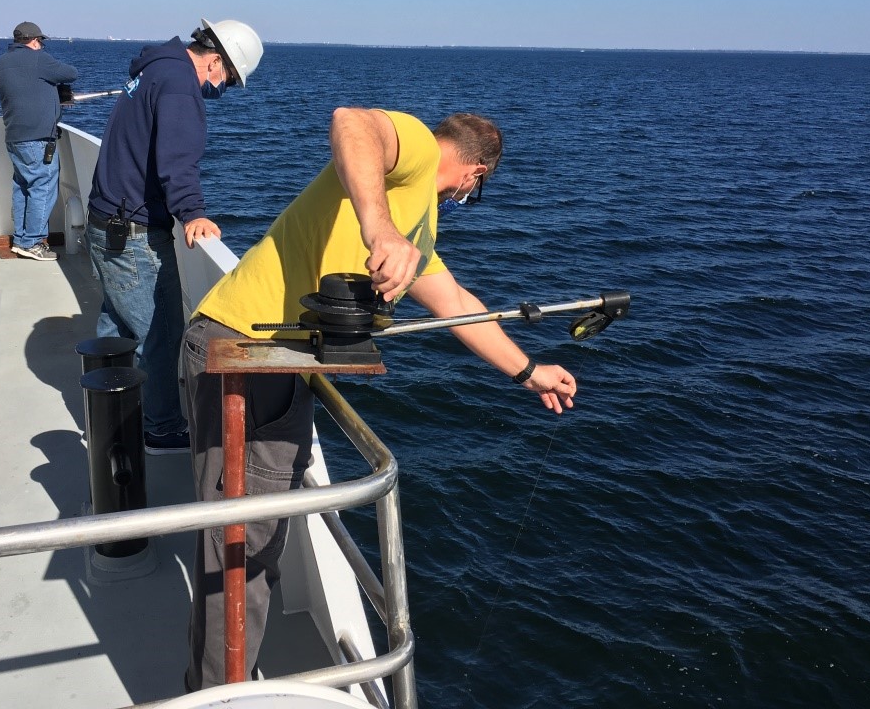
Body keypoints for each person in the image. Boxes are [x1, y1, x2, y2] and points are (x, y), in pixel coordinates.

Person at [182, 107, 580, 690]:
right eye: (476, 186)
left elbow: (455, 303)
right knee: (241, 546)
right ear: (474, 173)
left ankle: (228, 683)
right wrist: (379, 229)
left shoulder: (415, 225)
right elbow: (351, 121)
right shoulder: (416, 153)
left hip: (272, 361)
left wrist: (529, 372)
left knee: (257, 539)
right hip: (238, 351)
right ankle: (215, 698)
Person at [86, 18, 264, 455]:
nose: (222, 89)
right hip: (132, 233)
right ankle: (162, 429)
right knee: (161, 335)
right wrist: (193, 213)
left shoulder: (157, 69)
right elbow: (177, 160)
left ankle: (102, 418)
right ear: (216, 60)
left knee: (117, 325)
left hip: (105, 222)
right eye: (229, 79)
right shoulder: (181, 85)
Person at [0, 21, 78, 261]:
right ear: (33, 40)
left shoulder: (2, 62)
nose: (41, 45)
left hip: (15, 137)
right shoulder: (38, 58)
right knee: (42, 187)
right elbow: (71, 73)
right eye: (40, 41)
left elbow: (26, 86)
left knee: (22, 187)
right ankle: (32, 243)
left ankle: (21, 239)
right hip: (38, 138)